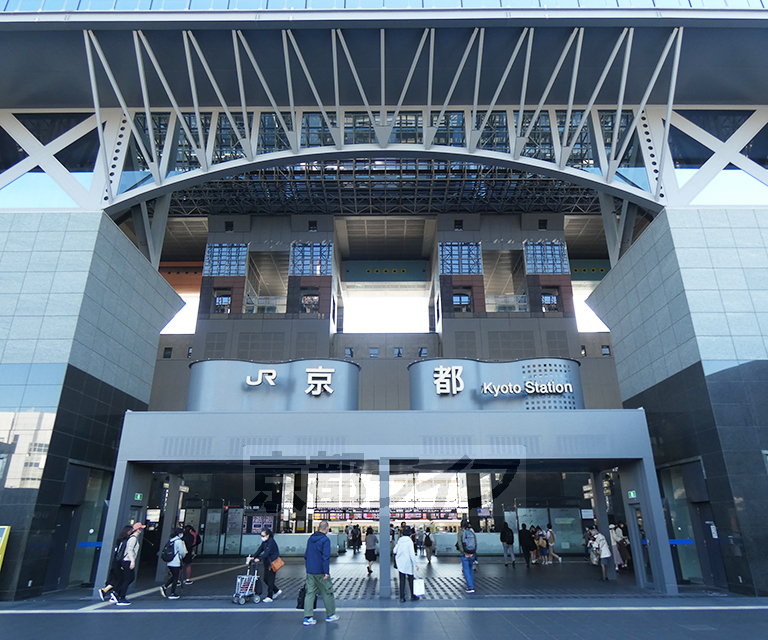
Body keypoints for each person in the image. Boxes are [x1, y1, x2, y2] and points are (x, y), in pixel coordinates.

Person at [302, 520, 338, 626]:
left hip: (310, 570)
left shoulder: (310, 539)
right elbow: (325, 557)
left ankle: (307, 617)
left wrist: (308, 566)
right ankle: (330, 615)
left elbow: (306, 554)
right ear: (326, 528)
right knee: (327, 592)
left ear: (318, 528)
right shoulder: (325, 540)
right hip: (321, 571)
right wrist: (326, 572)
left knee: (310, 593)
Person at [98, 525, 133, 603]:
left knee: (117, 579)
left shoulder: (120, 540)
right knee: (120, 579)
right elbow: (120, 554)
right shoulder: (125, 541)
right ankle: (114, 593)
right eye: (131, 530)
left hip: (116, 562)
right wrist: (121, 564)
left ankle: (105, 591)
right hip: (119, 562)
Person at [249, 527, 282, 602]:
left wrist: (259, 559)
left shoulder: (271, 542)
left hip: (272, 563)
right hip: (268, 563)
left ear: (268, 535)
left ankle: (269, 596)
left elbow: (267, 552)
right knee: (266, 579)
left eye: (263, 536)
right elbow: (260, 549)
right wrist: (253, 557)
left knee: (270, 579)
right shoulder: (265, 542)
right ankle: (276, 591)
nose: (262, 537)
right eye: (261, 535)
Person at [394, 526, 420, 602]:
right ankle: (413, 595)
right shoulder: (409, 541)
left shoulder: (399, 540)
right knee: (410, 579)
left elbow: (394, 550)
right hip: (408, 563)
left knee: (402, 580)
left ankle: (402, 597)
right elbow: (412, 554)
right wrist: (415, 564)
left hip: (400, 563)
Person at [160, 527, 186, 600]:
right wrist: (183, 556)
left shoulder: (171, 540)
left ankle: (165, 587)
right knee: (175, 577)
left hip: (169, 561)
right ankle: (172, 593)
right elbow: (181, 552)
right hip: (175, 562)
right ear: (179, 534)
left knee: (174, 576)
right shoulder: (178, 541)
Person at [456, 518, 477, 593]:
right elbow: (475, 543)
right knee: (470, 569)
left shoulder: (461, 533)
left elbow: (460, 544)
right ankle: (471, 585)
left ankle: (470, 587)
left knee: (466, 570)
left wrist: (464, 553)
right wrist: (473, 553)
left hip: (465, 555)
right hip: (472, 554)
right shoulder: (471, 532)